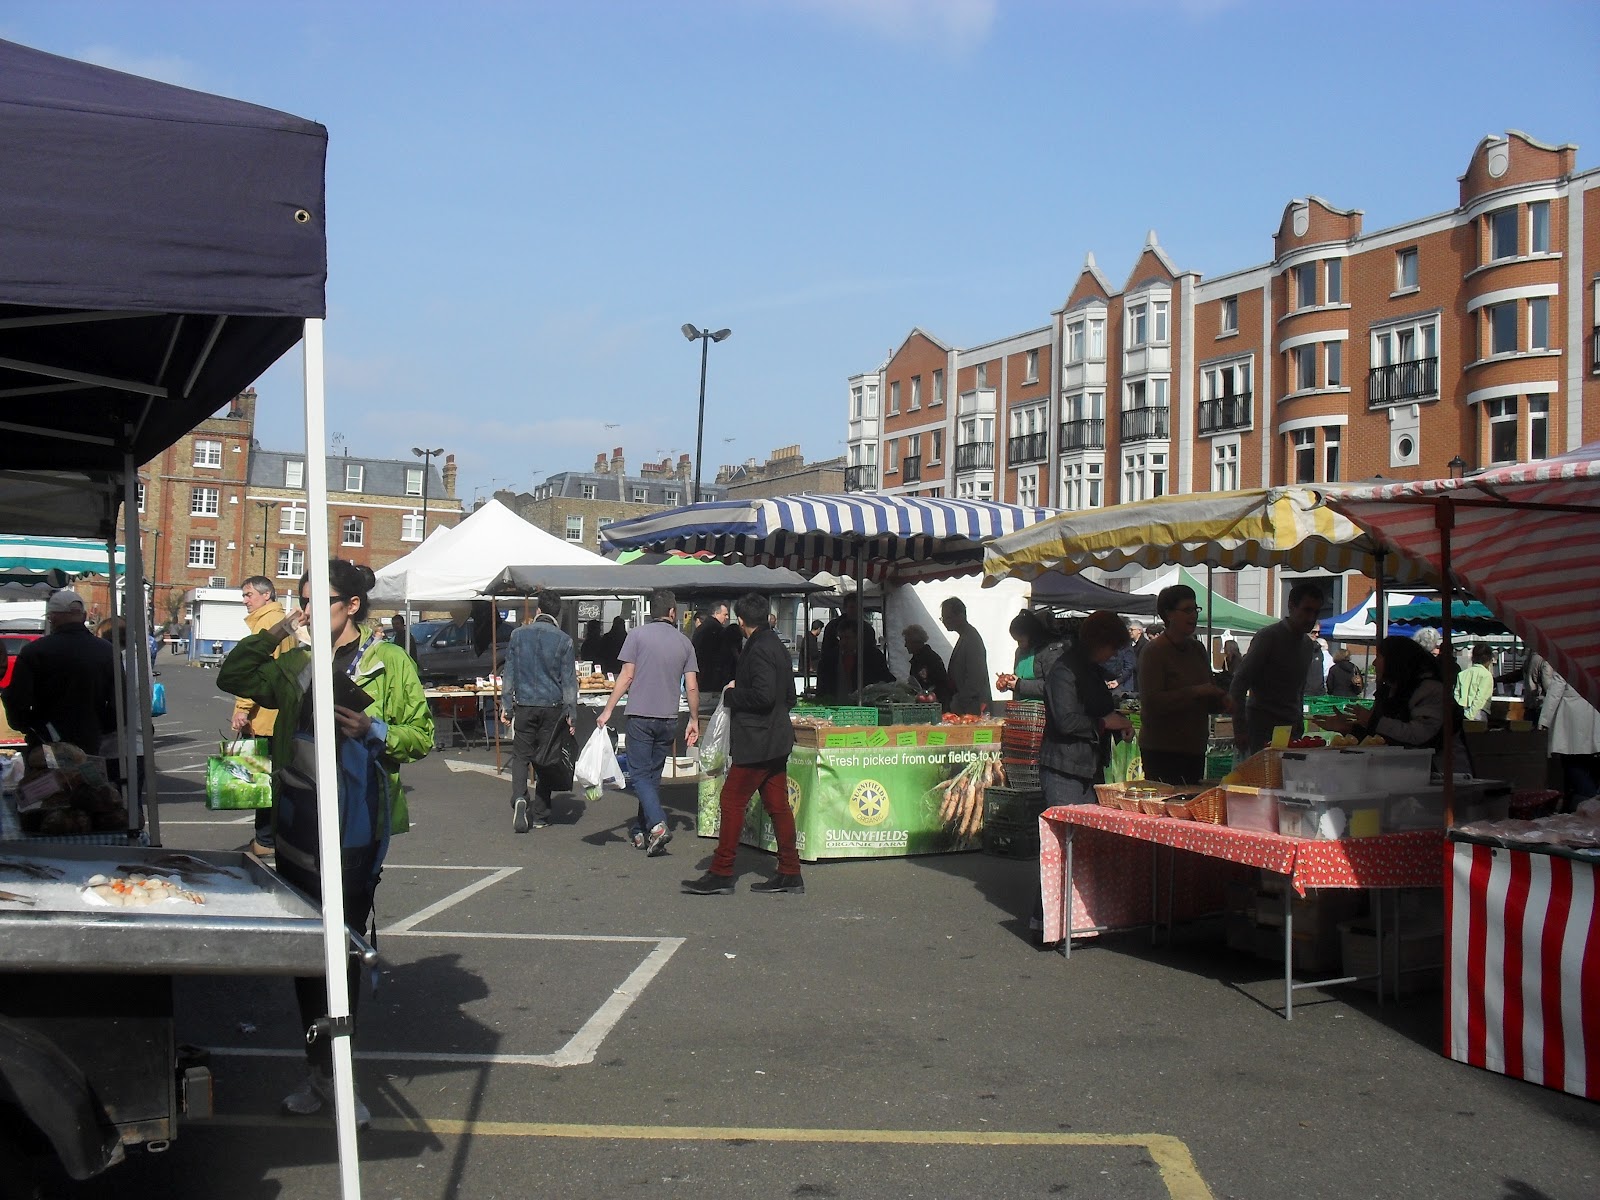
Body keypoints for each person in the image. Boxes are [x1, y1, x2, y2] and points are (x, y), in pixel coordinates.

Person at [217, 559, 432, 1128]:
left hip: (356, 827)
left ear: (352, 605)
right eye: (304, 599)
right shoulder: (294, 660)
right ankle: (317, 1073)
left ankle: (343, 1077)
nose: (309, 609)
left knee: (343, 953)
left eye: (320, 601)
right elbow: (233, 675)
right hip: (297, 819)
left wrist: (374, 730)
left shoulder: (389, 662)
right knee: (306, 954)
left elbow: (422, 735)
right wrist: (282, 628)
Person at [682, 593, 804, 895]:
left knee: (732, 800)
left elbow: (763, 696)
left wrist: (733, 695)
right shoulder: (775, 644)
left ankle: (722, 871)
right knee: (777, 805)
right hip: (775, 737)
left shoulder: (760, 648)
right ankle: (790, 870)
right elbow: (789, 697)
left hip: (758, 740)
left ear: (741, 621)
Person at [596, 589, 700, 856]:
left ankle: (656, 824)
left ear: (651, 611)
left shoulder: (636, 635)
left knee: (640, 774)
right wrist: (694, 719)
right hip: (668, 717)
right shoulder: (684, 642)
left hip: (641, 715)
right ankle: (641, 831)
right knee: (652, 776)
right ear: (673, 612)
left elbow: (626, 676)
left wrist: (608, 709)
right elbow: (691, 686)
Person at [1319, 634, 1468, 774]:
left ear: (1395, 660)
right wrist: (1349, 728)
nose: (1374, 663)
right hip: (1404, 773)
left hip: (1443, 775)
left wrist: (1373, 720)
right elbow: (1380, 737)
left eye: (1379, 657)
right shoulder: (1391, 689)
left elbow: (1419, 736)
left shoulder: (1430, 690)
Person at [1137, 584, 1233, 785]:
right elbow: (1152, 702)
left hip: (1194, 748)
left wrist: (1222, 701)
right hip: (1163, 750)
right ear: (1169, 614)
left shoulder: (1197, 649)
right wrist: (1196, 691)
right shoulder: (1154, 651)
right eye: (1187, 610)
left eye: (1195, 609)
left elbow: (1208, 695)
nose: (1194, 615)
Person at [231, 577, 300, 858]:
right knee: (277, 779)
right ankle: (274, 836)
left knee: (264, 782)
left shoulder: (266, 623)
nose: (245, 600)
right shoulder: (284, 620)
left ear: (266, 594)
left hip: (266, 714)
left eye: (249, 594)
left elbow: (255, 670)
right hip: (281, 712)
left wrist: (242, 707)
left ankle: (265, 839)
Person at [2, 588, 116, 755]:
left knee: (46, 780)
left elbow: (17, 699)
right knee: (86, 779)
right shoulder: (107, 651)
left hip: (45, 739)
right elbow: (120, 700)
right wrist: (101, 726)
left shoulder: (35, 651)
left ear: (53, 618)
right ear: (83, 616)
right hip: (90, 739)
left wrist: (28, 725)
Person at [500, 589, 578, 832]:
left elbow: (509, 674)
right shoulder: (564, 640)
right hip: (552, 708)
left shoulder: (518, 635)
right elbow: (569, 682)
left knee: (521, 755)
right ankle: (542, 813)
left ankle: (521, 797)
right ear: (558, 614)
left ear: (538, 611)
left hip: (524, 704)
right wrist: (571, 714)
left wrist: (507, 707)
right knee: (546, 758)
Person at [1228, 581, 1324, 756]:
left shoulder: (1308, 646)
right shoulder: (1268, 637)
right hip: (1260, 731)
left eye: (1316, 612)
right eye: (1307, 610)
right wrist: (1239, 729)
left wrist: (1299, 723)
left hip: (1291, 730)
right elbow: (1239, 684)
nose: (1311, 618)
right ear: (1291, 607)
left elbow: (1299, 690)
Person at [1537, 666, 1600, 807]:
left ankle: (1587, 802)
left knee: (1572, 761)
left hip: (1572, 717)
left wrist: (1544, 720)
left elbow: (1556, 689)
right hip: (1595, 715)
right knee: (1592, 762)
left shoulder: (1568, 659)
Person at [817, 595, 879, 703]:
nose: (855, 610)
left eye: (857, 607)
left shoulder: (867, 629)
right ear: (845, 608)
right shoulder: (833, 626)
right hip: (836, 677)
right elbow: (825, 652)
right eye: (852, 607)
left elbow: (872, 653)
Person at [940, 596, 992, 716]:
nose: (944, 621)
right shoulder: (965, 637)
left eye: (948, 617)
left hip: (972, 708)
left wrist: (958, 700)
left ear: (961, 616)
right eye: (942, 618)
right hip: (966, 705)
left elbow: (975, 678)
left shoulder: (971, 639)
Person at [691, 600, 741, 699]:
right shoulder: (718, 631)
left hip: (700, 680)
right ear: (716, 613)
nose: (727, 617)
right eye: (725, 614)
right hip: (713, 683)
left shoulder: (700, 629)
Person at [901, 624, 953, 709]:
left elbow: (936, 684)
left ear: (915, 642)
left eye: (907, 641)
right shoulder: (920, 659)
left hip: (934, 705)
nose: (905, 645)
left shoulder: (928, 659)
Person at [1455, 643, 1495, 722]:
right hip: (1478, 714)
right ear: (1489, 659)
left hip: (1460, 712)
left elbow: (1456, 696)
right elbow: (1480, 699)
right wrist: (1470, 715)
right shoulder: (1486, 675)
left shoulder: (1462, 674)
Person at [1105, 621, 1145, 695]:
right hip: (1111, 683)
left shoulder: (1126, 646)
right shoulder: (1107, 645)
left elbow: (1129, 666)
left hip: (1123, 686)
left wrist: (1118, 681)